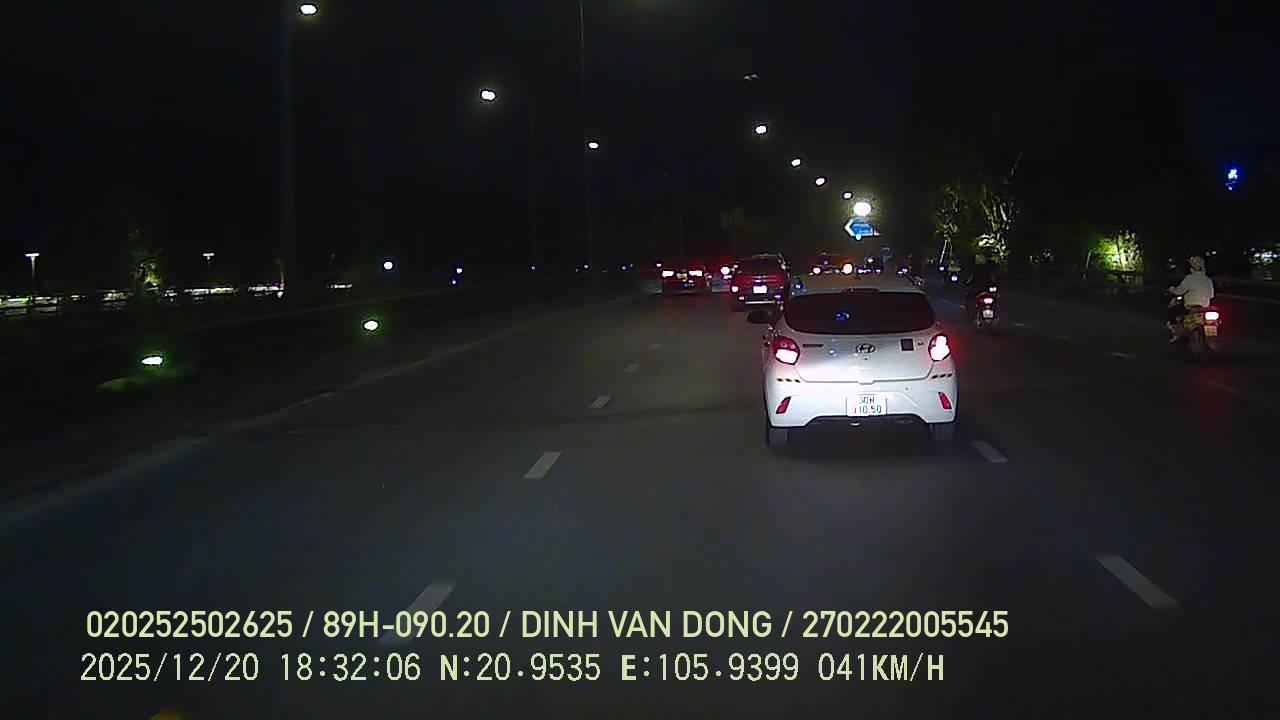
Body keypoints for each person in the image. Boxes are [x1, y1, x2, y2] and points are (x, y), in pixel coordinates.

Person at [1167, 255, 1214, 340]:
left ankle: (1177, 332)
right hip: (1205, 309)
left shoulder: (1189, 278)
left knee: (1176, 312)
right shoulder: (1208, 280)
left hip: (1191, 307)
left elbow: (1179, 291)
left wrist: (1172, 289)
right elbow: (1211, 295)